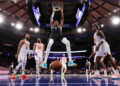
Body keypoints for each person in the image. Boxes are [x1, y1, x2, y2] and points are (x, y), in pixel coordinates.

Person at [40, 3, 76, 69]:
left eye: (57, 22)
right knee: (49, 44)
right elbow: (51, 19)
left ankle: (70, 61)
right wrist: (53, 12)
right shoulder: (52, 26)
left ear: (58, 23)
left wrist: (62, 12)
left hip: (60, 36)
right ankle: (44, 62)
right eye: (55, 22)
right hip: (53, 36)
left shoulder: (60, 26)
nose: (56, 22)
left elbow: (62, 19)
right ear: (53, 23)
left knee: (67, 42)